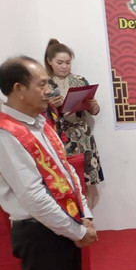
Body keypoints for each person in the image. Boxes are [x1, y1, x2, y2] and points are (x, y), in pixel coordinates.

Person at [0, 56, 104, 270]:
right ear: (18, 89)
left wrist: (85, 215)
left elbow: (67, 171)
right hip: (39, 233)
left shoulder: (40, 122)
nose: (50, 90)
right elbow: (33, 198)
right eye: (42, 84)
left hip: (64, 226)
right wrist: (76, 231)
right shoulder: (7, 133)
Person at [44, 39, 104, 196]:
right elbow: (37, 114)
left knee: (89, 184)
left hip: (83, 136)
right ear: (50, 61)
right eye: (60, 62)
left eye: (68, 62)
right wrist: (49, 105)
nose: (64, 66)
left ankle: (88, 219)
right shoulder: (44, 84)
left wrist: (94, 106)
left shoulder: (80, 81)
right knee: (65, 184)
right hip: (58, 137)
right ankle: (74, 220)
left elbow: (94, 111)